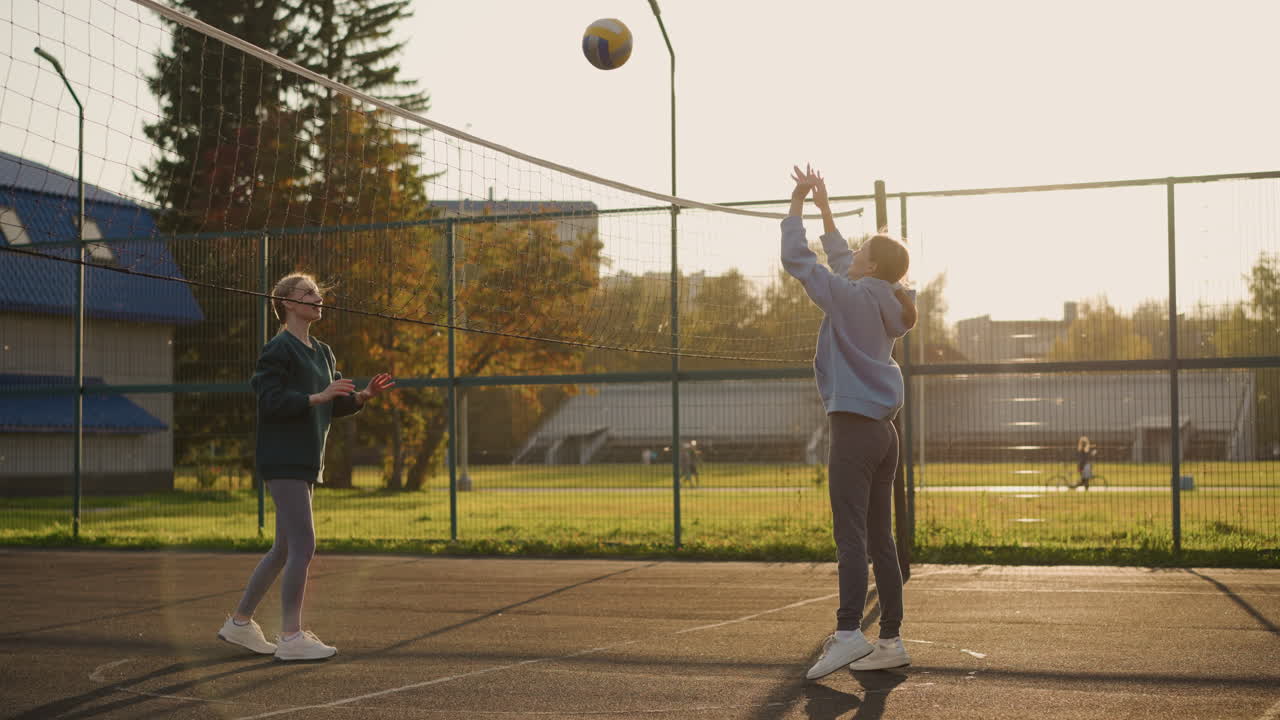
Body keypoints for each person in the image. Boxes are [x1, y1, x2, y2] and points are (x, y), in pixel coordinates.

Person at [781, 166, 918, 679]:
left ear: (873, 264)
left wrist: (794, 206)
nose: (852, 253)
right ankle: (891, 640)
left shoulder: (851, 297)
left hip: (855, 429)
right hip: (885, 433)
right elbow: (841, 260)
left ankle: (845, 634)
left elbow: (800, 261)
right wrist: (824, 209)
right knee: (881, 537)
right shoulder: (883, 296)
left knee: (851, 536)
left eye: (862, 250)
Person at [217, 272, 395, 661]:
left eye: (317, 293)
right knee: (303, 544)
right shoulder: (277, 350)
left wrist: (362, 395)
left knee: (284, 547)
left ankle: (240, 623)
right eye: (308, 293)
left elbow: (333, 401)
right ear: (288, 304)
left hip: (306, 459)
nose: (318, 298)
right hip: (282, 457)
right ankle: (291, 636)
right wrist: (318, 396)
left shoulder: (323, 352)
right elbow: (271, 399)